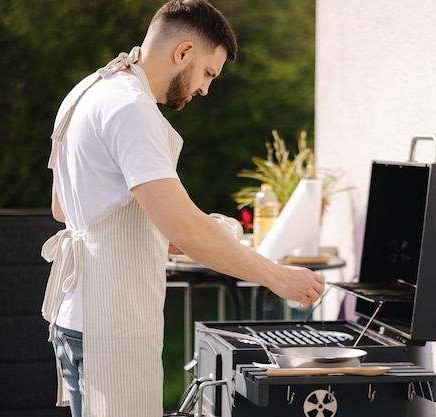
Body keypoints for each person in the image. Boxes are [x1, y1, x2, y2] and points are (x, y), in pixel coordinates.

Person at [40, 1, 325, 416]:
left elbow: (64, 208)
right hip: (112, 323)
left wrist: (184, 230)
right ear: (184, 51)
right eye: (208, 73)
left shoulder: (86, 91)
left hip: (73, 318)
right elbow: (183, 232)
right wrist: (277, 277)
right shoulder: (132, 108)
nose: (206, 88)